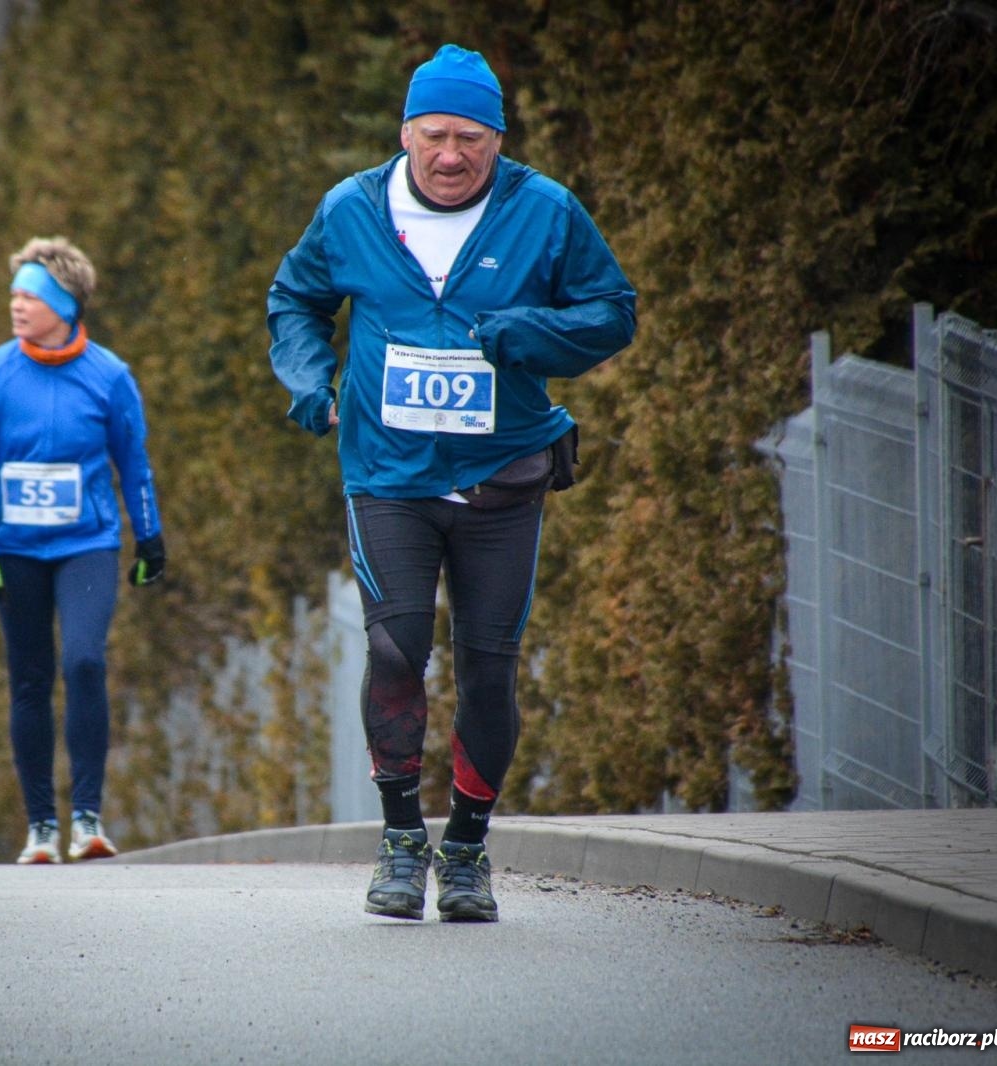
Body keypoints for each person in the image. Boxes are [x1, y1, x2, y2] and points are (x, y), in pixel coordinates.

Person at [268, 44, 636, 921]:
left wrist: (527, 334)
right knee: (395, 651)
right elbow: (296, 299)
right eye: (433, 136)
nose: (450, 156)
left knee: (488, 670)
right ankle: (401, 843)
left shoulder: (544, 212)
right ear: (405, 133)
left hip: (501, 477)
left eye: (470, 139)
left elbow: (611, 312)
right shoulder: (351, 210)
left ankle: (465, 849)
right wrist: (307, 379)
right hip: (388, 474)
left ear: (498, 140)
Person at [0, 236, 165, 865]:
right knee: (29, 678)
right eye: (13, 294)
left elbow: (135, 464)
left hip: (86, 545)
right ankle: (41, 826)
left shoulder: (109, 376)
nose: (16, 305)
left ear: (66, 304)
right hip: (15, 550)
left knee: (83, 663)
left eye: (30, 296)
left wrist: (150, 536)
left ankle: (88, 818)